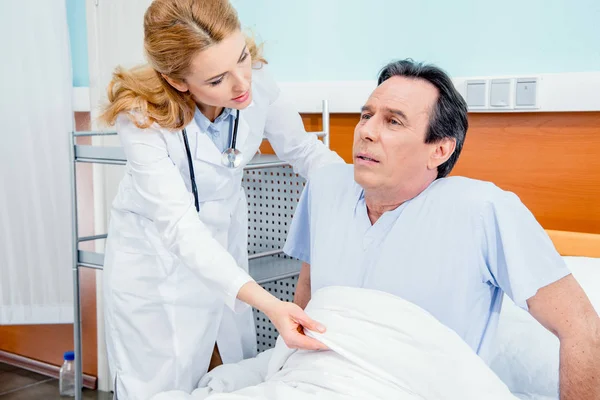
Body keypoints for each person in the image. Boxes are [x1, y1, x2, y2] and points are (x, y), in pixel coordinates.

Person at [283, 59, 600, 399]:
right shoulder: (326, 187)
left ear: (439, 150)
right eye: (366, 115)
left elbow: (582, 329)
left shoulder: (482, 210)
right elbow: (308, 298)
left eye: (392, 121)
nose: (366, 131)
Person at [98, 0, 343, 398]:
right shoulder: (142, 118)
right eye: (216, 80)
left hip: (224, 248)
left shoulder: (256, 82)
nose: (241, 84)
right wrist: (270, 304)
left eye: (242, 57)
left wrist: (361, 188)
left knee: (232, 375)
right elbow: (178, 226)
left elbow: (303, 151)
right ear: (178, 81)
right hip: (157, 267)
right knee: (158, 385)